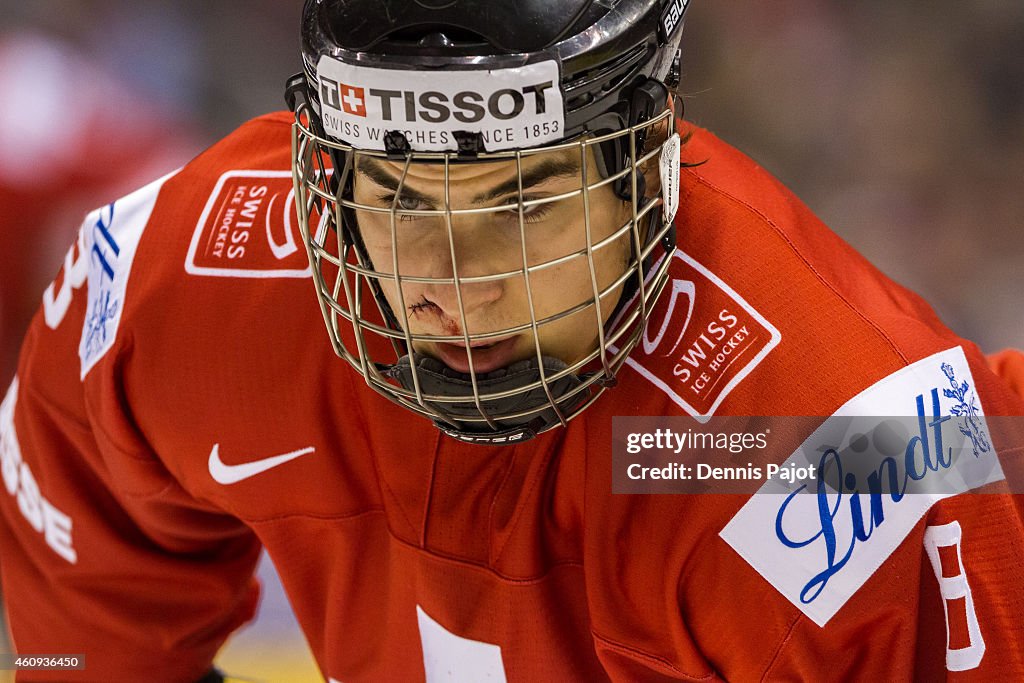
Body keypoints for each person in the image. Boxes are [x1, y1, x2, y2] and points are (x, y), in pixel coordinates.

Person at [0, 1, 1022, 681]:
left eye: (523, 198)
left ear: (645, 163)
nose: (453, 286)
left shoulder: (834, 446)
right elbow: (84, 641)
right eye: (396, 194)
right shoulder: (175, 282)